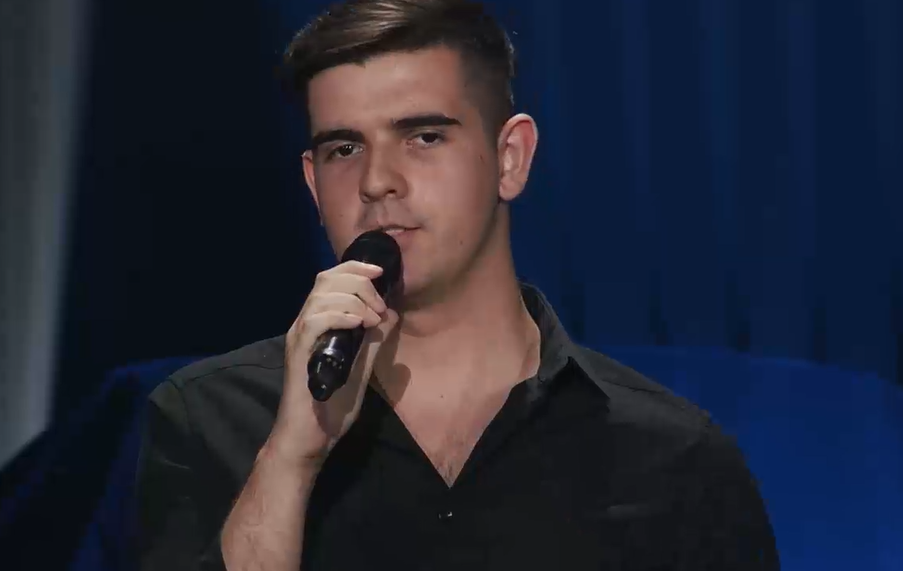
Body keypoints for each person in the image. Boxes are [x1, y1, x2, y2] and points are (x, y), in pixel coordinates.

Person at [135, 0, 779, 569]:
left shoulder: (673, 457)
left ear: (510, 158)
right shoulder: (209, 420)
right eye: (344, 149)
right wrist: (290, 459)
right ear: (312, 182)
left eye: (423, 136)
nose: (377, 181)